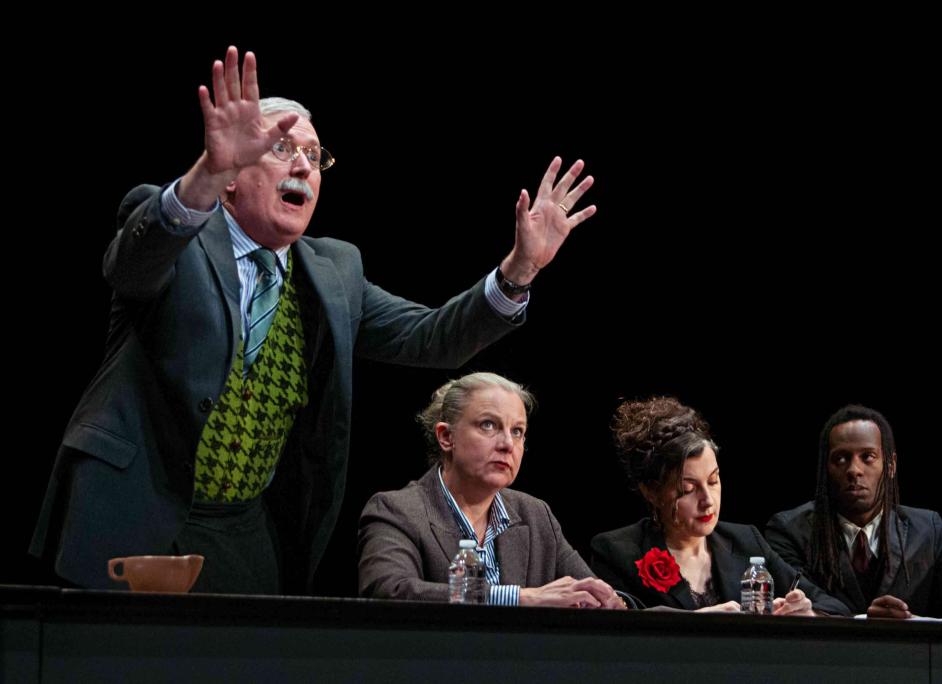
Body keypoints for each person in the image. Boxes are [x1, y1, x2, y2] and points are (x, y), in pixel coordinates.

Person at [31, 47, 596, 594]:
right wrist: (205, 171)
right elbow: (131, 266)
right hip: (133, 510)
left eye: (314, 154)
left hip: (242, 530)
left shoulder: (335, 271)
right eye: (279, 148)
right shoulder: (177, 230)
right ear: (230, 175)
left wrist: (519, 270)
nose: (303, 164)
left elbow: (431, 338)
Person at [358, 372, 624, 608]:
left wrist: (607, 600)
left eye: (517, 431)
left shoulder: (535, 514)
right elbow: (389, 592)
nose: (508, 444)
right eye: (488, 425)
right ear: (446, 437)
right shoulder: (397, 510)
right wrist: (520, 598)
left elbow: (588, 589)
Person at [591, 397, 848, 614]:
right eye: (688, 489)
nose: (708, 500)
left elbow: (836, 608)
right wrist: (695, 626)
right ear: (651, 492)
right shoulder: (618, 551)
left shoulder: (746, 541)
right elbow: (615, 633)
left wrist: (807, 611)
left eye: (713, 481)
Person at [765, 405, 942, 622]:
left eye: (867, 457)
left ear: (891, 466)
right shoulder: (789, 530)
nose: (854, 469)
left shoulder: (928, 530)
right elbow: (788, 606)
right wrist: (864, 620)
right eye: (840, 459)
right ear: (825, 469)